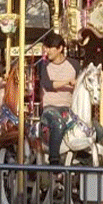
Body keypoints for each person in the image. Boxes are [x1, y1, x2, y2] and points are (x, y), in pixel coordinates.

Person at [36, 34, 81, 166]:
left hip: (69, 108)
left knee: (96, 129)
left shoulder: (74, 64)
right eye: (46, 47)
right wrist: (68, 81)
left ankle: (83, 157)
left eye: (50, 48)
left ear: (60, 48)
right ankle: (54, 159)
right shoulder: (44, 65)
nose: (47, 51)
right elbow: (48, 85)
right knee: (58, 123)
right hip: (51, 107)